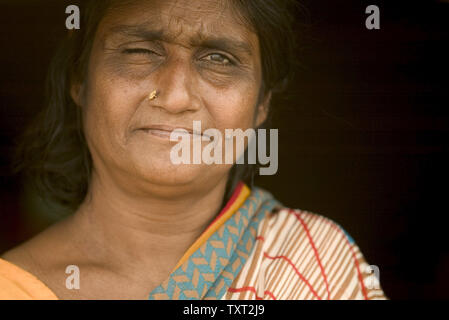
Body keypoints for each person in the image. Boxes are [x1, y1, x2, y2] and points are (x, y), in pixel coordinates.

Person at [0, 0, 387, 300]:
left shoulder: (313, 265)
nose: (175, 95)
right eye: (140, 51)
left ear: (261, 103)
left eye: (219, 58)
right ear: (79, 78)